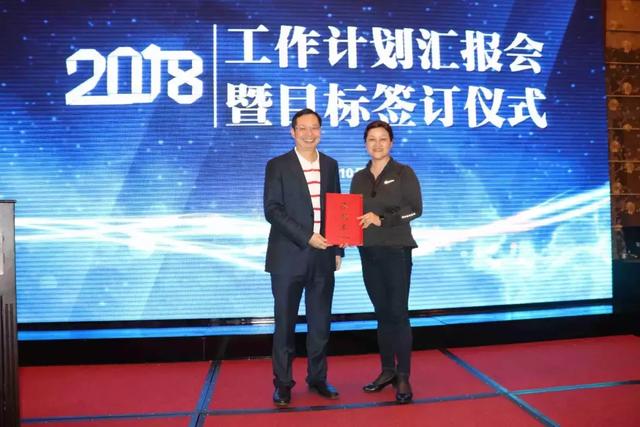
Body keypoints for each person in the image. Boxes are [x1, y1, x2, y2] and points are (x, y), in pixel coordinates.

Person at [263, 108, 343, 407]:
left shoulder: (331, 165)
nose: (309, 134)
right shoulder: (277, 165)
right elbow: (272, 210)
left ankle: (318, 377)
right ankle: (283, 383)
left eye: (314, 128)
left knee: (320, 325)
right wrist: (306, 235)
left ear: (320, 131)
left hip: (323, 257)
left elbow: (337, 209)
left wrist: (338, 249)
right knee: (285, 325)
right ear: (292, 132)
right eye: (303, 128)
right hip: (288, 258)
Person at [350, 120, 422, 404]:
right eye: (372, 139)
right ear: (365, 144)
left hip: (396, 250)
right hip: (368, 252)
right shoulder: (358, 177)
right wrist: (344, 235)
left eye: (383, 139)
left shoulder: (404, 172)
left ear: (391, 143)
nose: (377, 144)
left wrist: (383, 219)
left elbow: (415, 209)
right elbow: (350, 214)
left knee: (397, 313)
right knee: (381, 313)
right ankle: (387, 370)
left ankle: (403, 375)